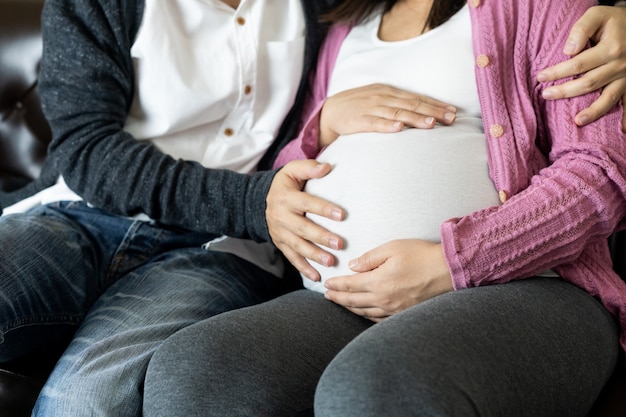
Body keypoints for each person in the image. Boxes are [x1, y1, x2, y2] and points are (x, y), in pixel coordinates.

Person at [142, 1, 626, 416]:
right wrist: (322, 126)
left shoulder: (543, 7)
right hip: (341, 297)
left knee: (375, 382)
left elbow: (599, 174)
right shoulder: (341, 27)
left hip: (527, 285)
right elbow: (290, 168)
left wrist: (453, 262)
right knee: (198, 368)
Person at [0, 0, 351, 415]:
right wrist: (252, 202)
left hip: (219, 248)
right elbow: (87, 149)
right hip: (75, 214)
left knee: (85, 402)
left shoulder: (323, 7)